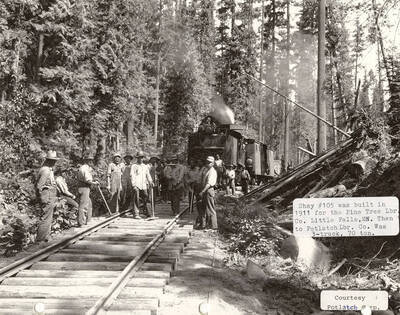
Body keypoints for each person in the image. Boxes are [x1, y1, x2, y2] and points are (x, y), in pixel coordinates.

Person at [36, 150, 59, 242]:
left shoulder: (48, 169)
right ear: (49, 160)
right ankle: (40, 239)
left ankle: (46, 237)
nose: (54, 162)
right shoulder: (45, 170)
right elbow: (39, 186)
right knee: (46, 217)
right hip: (47, 193)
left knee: (48, 216)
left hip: (50, 193)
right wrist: (41, 196)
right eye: (53, 161)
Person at [131, 151, 153, 219]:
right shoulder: (134, 166)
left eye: (141, 157)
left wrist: (150, 181)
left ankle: (149, 213)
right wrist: (134, 185)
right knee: (136, 199)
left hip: (143, 185)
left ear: (143, 158)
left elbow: (148, 175)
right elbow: (132, 175)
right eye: (139, 158)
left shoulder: (145, 166)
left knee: (146, 199)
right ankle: (136, 214)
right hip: (137, 185)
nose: (140, 159)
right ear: (137, 158)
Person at [77, 153, 98, 226]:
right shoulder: (84, 168)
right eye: (89, 160)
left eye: (91, 160)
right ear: (86, 161)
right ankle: (81, 222)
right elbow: (87, 179)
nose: (91, 162)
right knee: (84, 205)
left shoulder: (85, 168)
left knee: (89, 204)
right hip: (84, 187)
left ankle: (88, 220)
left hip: (84, 187)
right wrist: (94, 183)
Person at [199, 156, 218, 230]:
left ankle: (214, 226)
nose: (208, 163)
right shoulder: (207, 170)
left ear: (213, 163)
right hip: (205, 190)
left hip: (209, 190)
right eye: (207, 162)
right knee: (203, 208)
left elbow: (209, 183)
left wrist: (202, 191)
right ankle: (203, 225)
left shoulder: (212, 171)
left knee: (211, 208)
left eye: (210, 162)